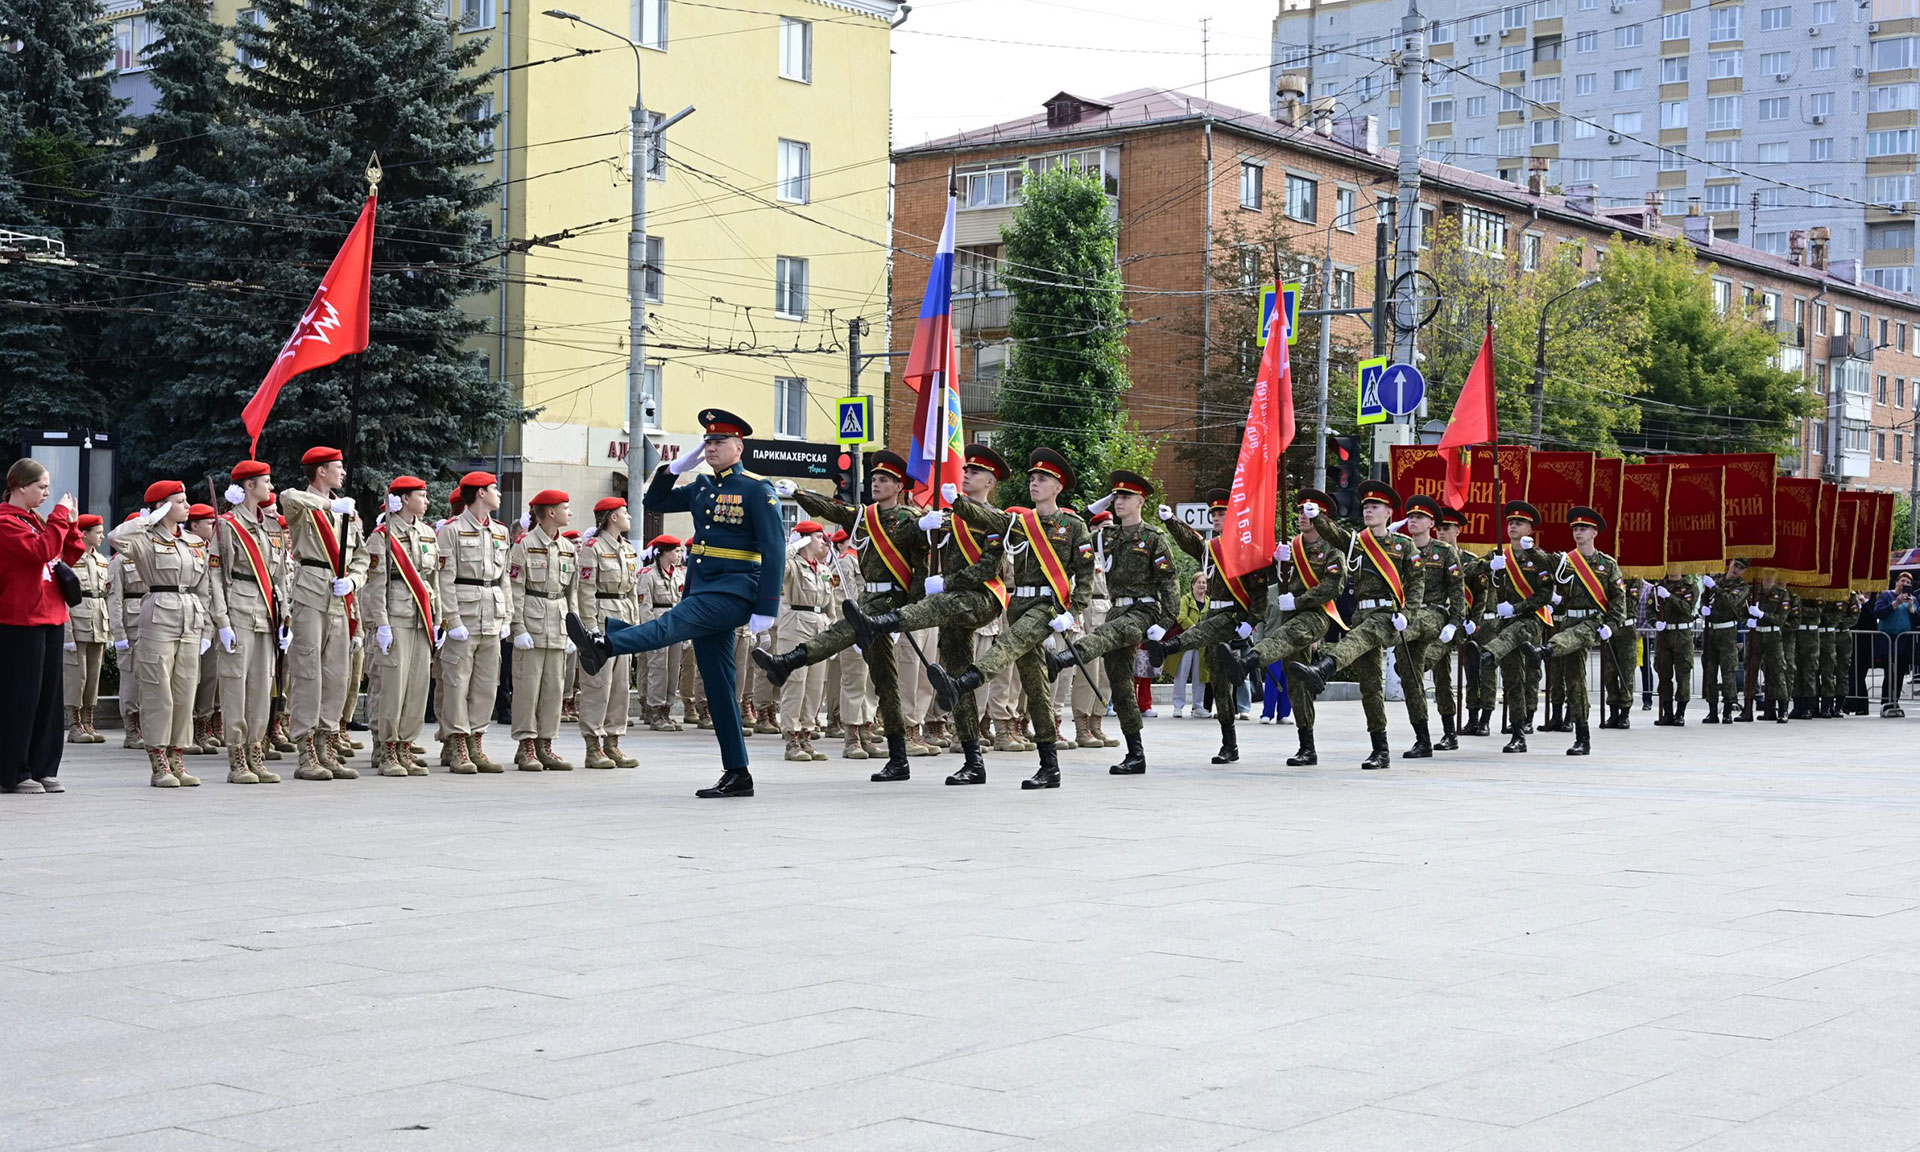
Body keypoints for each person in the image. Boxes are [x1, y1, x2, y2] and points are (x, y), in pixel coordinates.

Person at [569, 409, 784, 798]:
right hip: (703, 587)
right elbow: (654, 500)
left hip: (736, 589)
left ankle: (605, 643)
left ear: (739, 447)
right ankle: (738, 772)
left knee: (672, 624)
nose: (711, 448)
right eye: (708, 442)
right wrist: (674, 468)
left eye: (719, 442)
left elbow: (774, 548)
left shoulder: (757, 489)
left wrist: (766, 607)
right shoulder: (702, 486)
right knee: (719, 687)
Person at [751, 449, 929, 783]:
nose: (876, 483)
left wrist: (906, 614)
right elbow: (832, 508)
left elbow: (922, 567)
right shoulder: (865, 517)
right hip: (869, 599)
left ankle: (897, 757)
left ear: (899, 486)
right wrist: (800, 494)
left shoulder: (912, 519)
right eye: (874, 478)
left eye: (884, 480)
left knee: (882, 683)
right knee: (871, 669)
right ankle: (898, 760)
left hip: (894, 602)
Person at [837, 444, 1011, 784]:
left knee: (960, 673)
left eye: (975, 472)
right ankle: (973, 762)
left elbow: (990, 567)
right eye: (965, 470)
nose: (966, 475)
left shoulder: (996, 519)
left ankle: (880, 623)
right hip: (948, 608)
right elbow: (904, 540)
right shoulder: (948, 518)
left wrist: (946, 582)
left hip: (975, 602)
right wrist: (921, 525)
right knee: (957, 683)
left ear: (990, 482)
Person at [924, 448, 1094, 790]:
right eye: (1032, 478)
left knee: (1008, 644)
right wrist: (957, 503)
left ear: (1058, 487)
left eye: (1042, 479)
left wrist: (1072, 612)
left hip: (1047, 608)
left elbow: (1086, 575)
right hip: (1018, 606)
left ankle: (964, 681)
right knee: (1036, 688)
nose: (1034, 483)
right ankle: (1049, 767)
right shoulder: (1019, 524)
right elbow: (987, 519)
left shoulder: (1073, 526)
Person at [1038, 470, 1177, 775]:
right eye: (1116, 496)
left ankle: (1063, 659)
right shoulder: (1107, 536)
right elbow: (1073, 527)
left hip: (1144, 610)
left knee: (1106, 633)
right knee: (1121, 684)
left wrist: (1166, 621)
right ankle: (1136, 753)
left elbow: (1169, 581)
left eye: (1126, 496)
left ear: (1140, 501)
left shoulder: (1153, 537)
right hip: (1117, 609)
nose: (1119, 501)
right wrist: (1096, 507)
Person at [1290, 480, 1424, 770]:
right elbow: (1335, 534)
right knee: (1370, 687)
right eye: (1365, 506)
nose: (1368, 511)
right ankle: (1380, 750)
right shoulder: (1358, 542)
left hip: (1387, 615)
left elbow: (1416, 583)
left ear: (1388, 512)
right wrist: (1317, 516)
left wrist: (1409, 613)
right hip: (1362, 615)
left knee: (1359, 638)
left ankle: (1324, 668)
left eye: (1375, 506)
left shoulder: (1404, 545)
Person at [1212, 489, 1345, 766]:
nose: (1302, 517)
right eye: (1300, 511)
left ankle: (1246, 663)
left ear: (1323, 518)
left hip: (1316, 614)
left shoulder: (1333, 549)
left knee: (1287, 636)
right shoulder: (1292, 546)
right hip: (1289, 615)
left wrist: (1298, 601)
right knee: (1297, 682)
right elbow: (1267, 579)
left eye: (1309, 512)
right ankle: (1307, 747)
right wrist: (1274, 562)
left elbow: (1334, 586)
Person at [1147, 488, 1274, 764]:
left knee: (1204, 630)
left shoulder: (1248, 550)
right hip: (1212, 612)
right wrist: (1171, 521)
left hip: (1233, 617)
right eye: (1214, 513)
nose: (1216, 517)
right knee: (1219, 682)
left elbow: (1259, 593)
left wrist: (1251, 621)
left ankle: (1168, 647)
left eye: (1222, 513)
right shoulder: (1212, 548)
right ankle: (1230, 744)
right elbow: (1190, 543)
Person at [110, 481, 213, 787]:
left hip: (190, 616)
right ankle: (159, 762)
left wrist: (207, 627)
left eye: (185, 500)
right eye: (179, 501)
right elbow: (116, 537)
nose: (187, 506)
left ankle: (177, 758)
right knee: (158, 692)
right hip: (158, 616)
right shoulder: (145, 538)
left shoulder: (194, 542)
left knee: (184, 692)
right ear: (162, 506)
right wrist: (149, 519)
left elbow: (204, 588)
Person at [278, 446, 368, 780]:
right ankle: (306, 752)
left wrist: (354, 580)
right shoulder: (304, 505)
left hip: (340, 594)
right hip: (311, 592)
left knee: (337, 674)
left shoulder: (349, 513)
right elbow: (287, 496)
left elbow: (361, 557)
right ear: (320, 471)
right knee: (308, 672)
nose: (342, 472)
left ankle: (326, 746)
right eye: (337, 467)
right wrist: (330, 506)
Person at [0, 460, 85, 794]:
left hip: (51, 615)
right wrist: (60, 517)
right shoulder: (6, 522)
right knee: (22, 697)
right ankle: (15, 769)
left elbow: (67, 556)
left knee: (49, 698)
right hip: (20, 620)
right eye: (41, 487)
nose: (47, 493)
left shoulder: (34, 520)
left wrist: (71, 525)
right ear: (21, 486)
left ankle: (43, 766)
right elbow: (40, 551)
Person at [208, 460, 285, 784]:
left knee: (261, 686)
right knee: (235, 685)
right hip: (238, 609)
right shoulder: (227, 525)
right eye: (265, 481)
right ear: (249, 486)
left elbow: (280, 575)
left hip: (267, 613)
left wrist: (285, 617)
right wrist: (222, 621)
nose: (271, 487)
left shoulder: (271, 524)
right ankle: (237, 757)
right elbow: (214, 575)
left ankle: (256, 751)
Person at [434, 471, 512, 773]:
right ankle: (457, 743)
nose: (498, 494)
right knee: (456, 683)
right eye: (494, 488)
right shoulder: (452, 531)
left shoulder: (500, 531)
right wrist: (452, 620)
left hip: (492, 615)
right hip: (464, 617)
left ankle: (476, 741)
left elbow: (504, 578)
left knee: (486, 684)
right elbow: (444, 579)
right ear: (480, 493)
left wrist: (507, 616)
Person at [363, 476, 439, 776]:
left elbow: (433, 581)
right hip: (396, 616)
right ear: (405, 499)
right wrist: (381, 624)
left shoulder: (428, 533)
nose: (427, 501)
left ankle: (405, 745)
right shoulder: (382, 535)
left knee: (417, 686)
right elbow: (375, 584)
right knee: (392, 688)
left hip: (422, 617)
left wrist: (438, 620)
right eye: (421, 496)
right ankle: (387, 749)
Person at [1469, 501, 1558, 753]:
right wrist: (1488, 566)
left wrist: (1518, 608)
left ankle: (1487, 655)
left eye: (1519, 523)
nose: (1513, 526)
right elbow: (1468, 570)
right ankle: (1518, 734)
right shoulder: (1499, 554)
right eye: (1510, 522)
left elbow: (1546, 593)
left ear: (1529, 529)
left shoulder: (1538, 557)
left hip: (1530, 619)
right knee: (1512, 679)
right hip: (1505, 623)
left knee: (1523, 659)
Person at [1540, 506, 1629, 755]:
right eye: (1575, 529)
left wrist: (1611, 625)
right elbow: (1546, 566)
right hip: (1569, 622)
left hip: (1592, 622)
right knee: (1575, 680)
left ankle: (1545, 650)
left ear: (1594, 533)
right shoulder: (1567, 562)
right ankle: (1582, 737)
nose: (1578, 532)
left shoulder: (1607, 564)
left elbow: (1618, 601)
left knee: (1570, 650)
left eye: (1583, 528)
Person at [507, 489, 577, 770]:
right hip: (532, 623)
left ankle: (545, 744)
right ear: (550, 512)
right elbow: (514, 588)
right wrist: (518, 627)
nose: (569, 513)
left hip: (558, 624)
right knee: (528, 689)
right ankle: (526, 745)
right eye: (565, 508)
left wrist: (574, 629)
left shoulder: (568, 547)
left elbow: (572, 593)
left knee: (553, 688)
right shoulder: (524, 545)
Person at [575, 497, 640, 768]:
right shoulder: (593, 548)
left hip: (623, 620)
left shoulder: (627, 548)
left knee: (620, 687)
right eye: (625, 512)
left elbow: (632, 591)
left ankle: (613, 742)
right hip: (602, 619)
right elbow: (586, 591)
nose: (630, 517)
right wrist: (590, 627)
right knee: (598, 686)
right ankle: (593, 747)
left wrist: (636, 627)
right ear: (612, 517)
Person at [775, 520, 836, 762]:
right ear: (804, 540)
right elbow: (777, 567)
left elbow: (831, 606)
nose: (823, 541)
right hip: (796, 624)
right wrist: (794, 545)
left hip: (819, 626)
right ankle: (792, 738)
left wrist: (831, 630)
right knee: (795, 682)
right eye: (818, 537)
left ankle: (807, 735)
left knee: (814, 684)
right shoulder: (793, 564)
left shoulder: (823, 569)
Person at [62, 514, 110, 745]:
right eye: (98, 532)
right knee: (76, 676)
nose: (102, 536)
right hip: (77, 623)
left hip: (98, 623)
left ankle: (88, 721)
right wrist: (67, 633)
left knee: (93, 676)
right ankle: (74, 725)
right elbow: (63, 597)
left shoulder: (101, 560)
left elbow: (105, 595)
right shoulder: (70, 558)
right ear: (83, 534)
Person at [106, 514, 149, 749]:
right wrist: (118, 633)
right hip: (131, 625)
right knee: (131, 679)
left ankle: (146, 726)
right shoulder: (119, 561)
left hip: (153, 621)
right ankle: (132, 729)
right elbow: (114, 599)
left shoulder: (149, 554)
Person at [635, 534, 685, 732]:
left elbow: (682, 601)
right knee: (657, 668)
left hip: (675, 623)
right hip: (658, 622)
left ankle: (666, 710)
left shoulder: (679, 574)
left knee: (673, 667)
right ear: (664, 552)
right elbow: (644, 606)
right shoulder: (648, 574)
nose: (679, 555)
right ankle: (654, 710)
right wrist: (649, 631)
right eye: (676, 551)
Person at [1699, 558, 1751, 725]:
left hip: (1728, 631)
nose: (1736, 569)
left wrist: (1714, 587)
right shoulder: (1717, 579)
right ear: (1731, 563)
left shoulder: (1742, 586)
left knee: (1728, 672)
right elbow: (1705, 598)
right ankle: (1712, 711)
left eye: (1741, 568)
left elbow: (1732, 603)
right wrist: (1703, 609)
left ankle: (1727, 710)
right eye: (1735, 565)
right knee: (1710, 671)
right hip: (1711, 630)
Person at [1650, 572, 1699, 725]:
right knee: (1663, 674)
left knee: (1683, 675)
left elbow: (1687, 608)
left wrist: (1669, 597)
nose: (1672, 569)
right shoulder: (1658, 587)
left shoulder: (1690, 587)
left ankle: (1680, 713)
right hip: (1664, 635)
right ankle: (1668, 712)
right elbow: (1650, 610)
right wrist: (1655, 622)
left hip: (1682, 635)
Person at [1873, 571, 1915, 718]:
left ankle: (1895, 701)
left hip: (1904, 640)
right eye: (1903, 581)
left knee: (1900, 672)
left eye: (1908, 583)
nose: (1905, 584)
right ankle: (1886, 702)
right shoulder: (1886, 596)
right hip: (1888, 639)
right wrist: (1896, 603)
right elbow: (1878, 612)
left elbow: (1917, 618)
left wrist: (1911, 608)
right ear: (1897, 582)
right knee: (1889, 672)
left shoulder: (1913, 599)